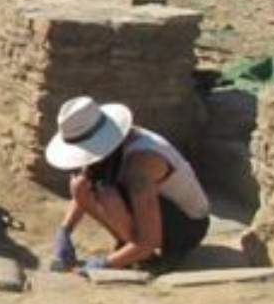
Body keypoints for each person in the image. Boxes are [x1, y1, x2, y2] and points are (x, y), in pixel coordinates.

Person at [45, 96, 211, 273]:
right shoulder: (112, 148)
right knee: (80, 184)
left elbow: (148, 241)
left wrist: (104, 264)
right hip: (154, 210)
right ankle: (130, 248)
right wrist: (64, 232)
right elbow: (82, 188)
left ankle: (142, 256)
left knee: (107, 195)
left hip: (186, 227)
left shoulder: (142, 163)